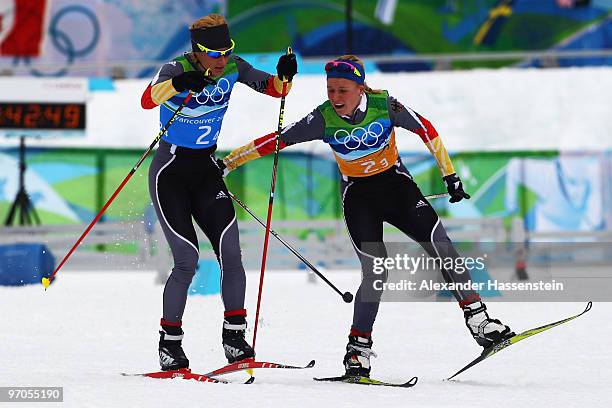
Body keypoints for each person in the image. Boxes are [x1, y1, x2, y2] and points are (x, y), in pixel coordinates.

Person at [219, 55, 513, 378]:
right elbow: (275, 140)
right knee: (376, 271)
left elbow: (426, 129)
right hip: (359, 199)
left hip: (398, 189)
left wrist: (450, 176)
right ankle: (357, 351)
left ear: (361, 87)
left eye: (343, 90)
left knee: (441, 245)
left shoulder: (384, 105)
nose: (336, 97)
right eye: (331, 90)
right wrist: (227, 164)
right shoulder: (323, 118)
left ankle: (479, 321)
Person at [140, 13, 297, 371]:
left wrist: (285, 74)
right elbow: (147, 101)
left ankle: (234, 338)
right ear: (197, 51)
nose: (222, 59)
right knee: (187, 260)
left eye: (227, 51)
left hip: (207, 172)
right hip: (170, 173)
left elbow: (276, 89)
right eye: (214, 53)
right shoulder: (173, 68)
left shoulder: (233, 68)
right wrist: (180, 83)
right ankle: (170, 343)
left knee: (231, 253)